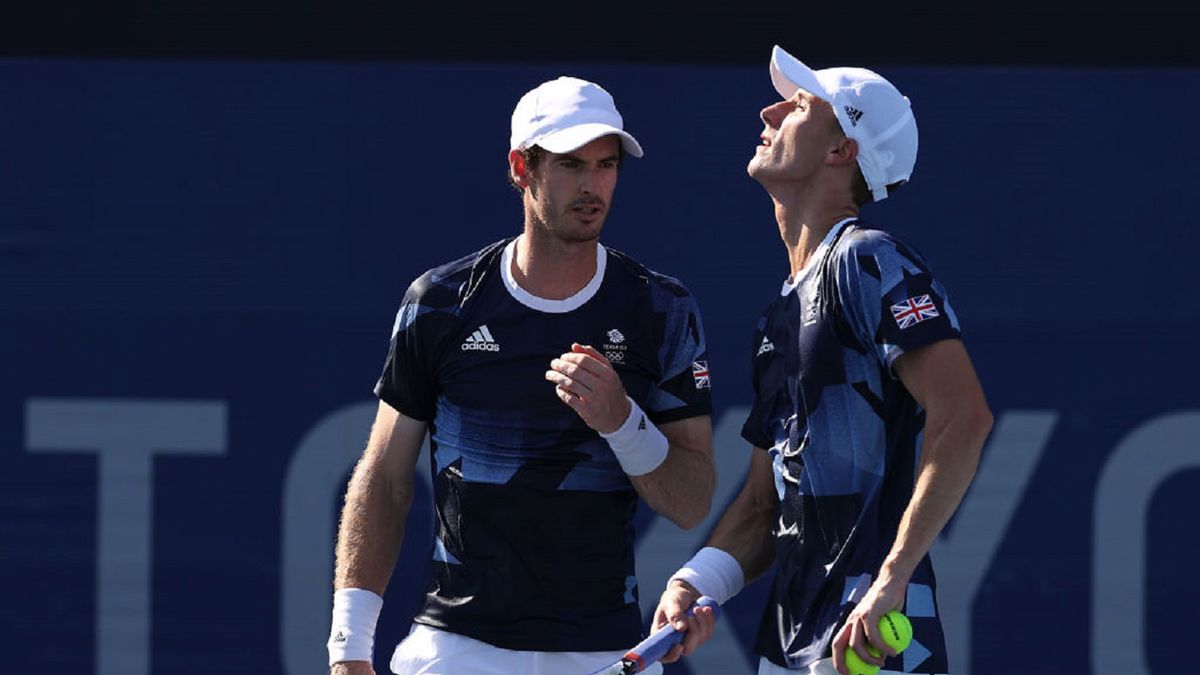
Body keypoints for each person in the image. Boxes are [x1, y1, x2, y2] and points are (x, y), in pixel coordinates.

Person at [326, 75, 716, 675]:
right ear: (521, 168)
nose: (592, 186)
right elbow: (384, 476)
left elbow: (691, 502)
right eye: (570, 165)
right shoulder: (441, 302)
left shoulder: (662, 307)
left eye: (606, 165)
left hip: (605, 652)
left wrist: (624, 423)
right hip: (457, 648)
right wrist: (349, 648)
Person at [652, 46, 994, 675]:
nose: (770, 109)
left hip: (868, 643)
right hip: (789, 644)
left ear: (842, 151)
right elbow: (762, 505)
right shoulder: (780, 313)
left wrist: (891, 578)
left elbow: (964, 416)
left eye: (799, 104)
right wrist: (696, 581)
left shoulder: (869, 259)